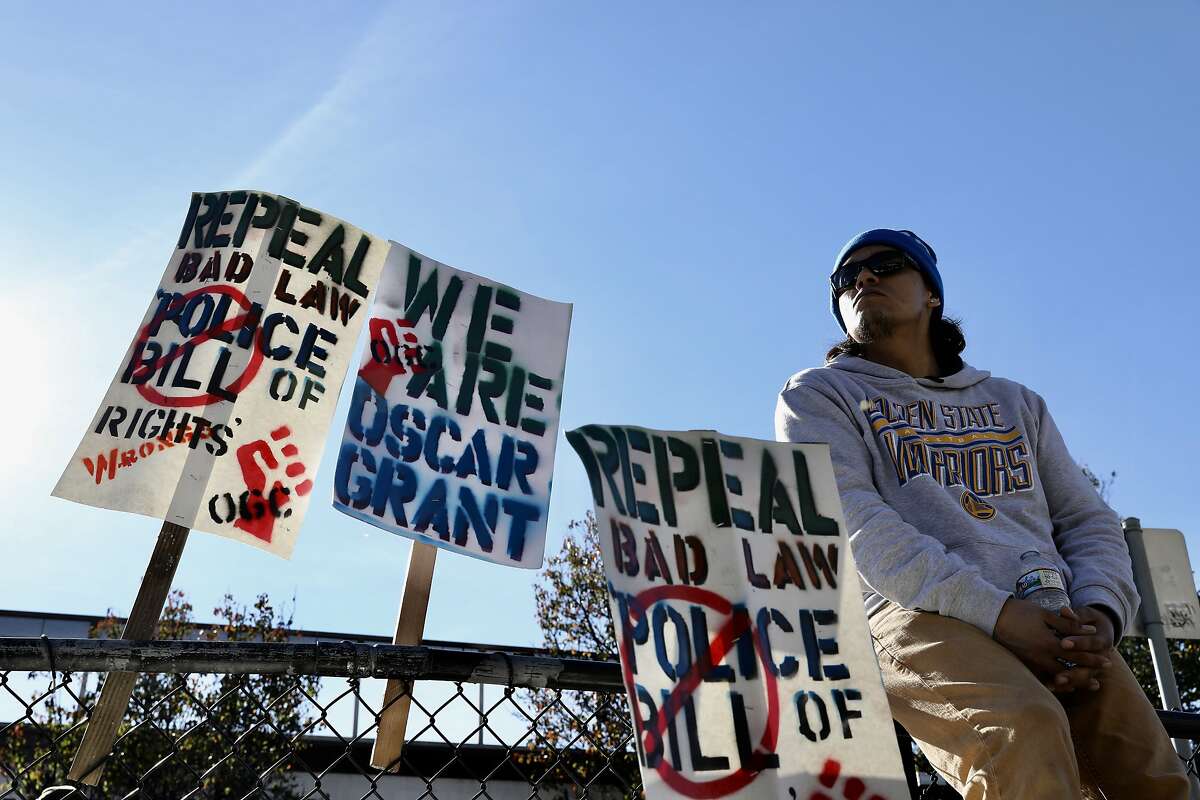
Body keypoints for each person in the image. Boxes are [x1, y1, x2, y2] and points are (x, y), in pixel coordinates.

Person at [773, 228, 1189, 799]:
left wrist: (1101, 613)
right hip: (915, 611)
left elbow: (1086, 519)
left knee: (1154, 777)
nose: (863, 279)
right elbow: (854, 522)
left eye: (887, 266)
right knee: (1020, 734)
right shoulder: (818, 394)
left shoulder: (1016, 402)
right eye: (845, 279)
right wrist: (998, 615)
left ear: (933, 296)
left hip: (1058, 617)